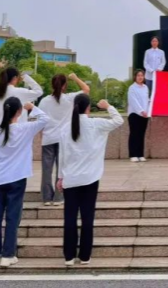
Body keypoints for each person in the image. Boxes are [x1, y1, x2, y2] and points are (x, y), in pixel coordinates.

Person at [58, 94, 124, 266]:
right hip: (90, 178)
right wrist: (108, 106)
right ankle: (85, 255)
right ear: (88, 107)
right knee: (87, 217)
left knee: (70, 218)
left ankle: (69, 256)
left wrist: (60, 177)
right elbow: (118, 121)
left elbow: (62, 155)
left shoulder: (66, 128)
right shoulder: (96, 124)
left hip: (70, 179)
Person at [0, 97, 49, 268]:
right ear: (19, 112)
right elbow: (45, 119)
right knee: (13, 217)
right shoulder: (25, 128)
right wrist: (33, 107)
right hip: (16, 177)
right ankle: (8, 255)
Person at [38, 72, 91, 206]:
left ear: (52, 85)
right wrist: (75, 78)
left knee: (46, 169)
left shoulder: (44, 101)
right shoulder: (69, 99)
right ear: (64, 86)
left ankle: (46, 198)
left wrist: (41, 136)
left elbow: (40, 120)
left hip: (48, 138)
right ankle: (58, 197)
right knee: (61, 168)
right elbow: (86, 89)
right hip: (63, 139)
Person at [127, 69, 151, 163]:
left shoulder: (145, 87)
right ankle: (133, 155)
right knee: (134, 134)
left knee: (141, 135)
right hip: (134, 114)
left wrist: (147, 111)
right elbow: (133, 101)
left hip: (144, 115)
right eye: (138, 75)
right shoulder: (132, 88)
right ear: (135, 77)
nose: (140, 77)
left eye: (142, 75)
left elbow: (147, 100)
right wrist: (141, 111)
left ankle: (140, 154)